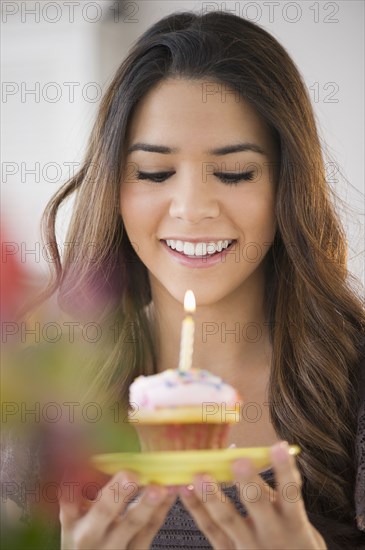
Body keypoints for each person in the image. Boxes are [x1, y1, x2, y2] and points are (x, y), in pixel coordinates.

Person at [2, 9, 364, 550]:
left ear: (288, 186)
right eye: (154, 172)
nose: (193, 209)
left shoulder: (352, 386)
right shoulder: (49, 393)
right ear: (114, 188)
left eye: (235, 172)